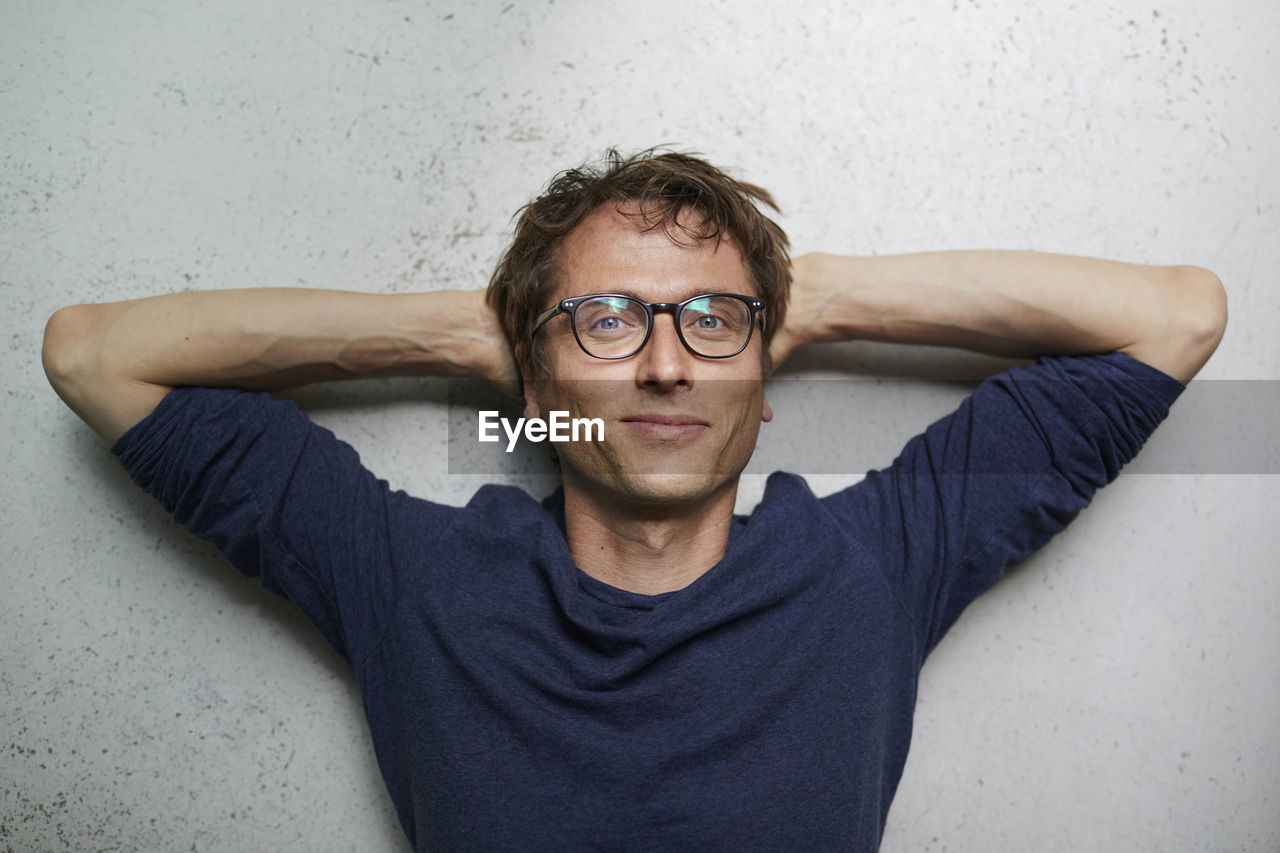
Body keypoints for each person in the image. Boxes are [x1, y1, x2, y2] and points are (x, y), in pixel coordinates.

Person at [41, 148, 1226, 850]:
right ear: (535, 383)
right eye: (607, 320)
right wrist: (465, 330)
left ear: (764, 387)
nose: (665, 363)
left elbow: (1174, 315)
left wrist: (812, 300)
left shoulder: (866, 573)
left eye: (710, 322)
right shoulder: (416, 583)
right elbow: (94, 354)